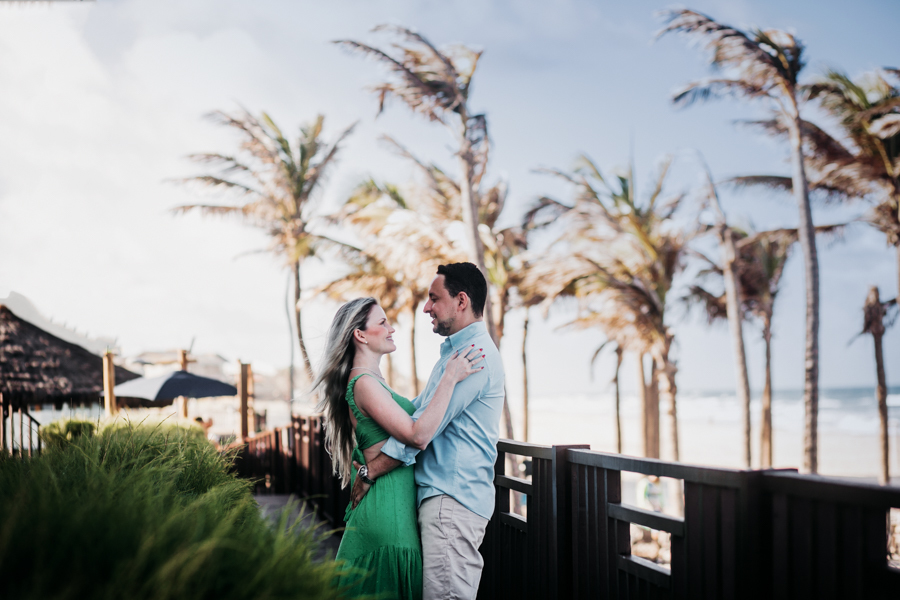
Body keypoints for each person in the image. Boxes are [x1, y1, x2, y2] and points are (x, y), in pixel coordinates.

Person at [350, 262, 505, 600]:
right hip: (444, 500)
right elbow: (417, 417)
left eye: (434, 298)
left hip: (452, 500)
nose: (426, 307)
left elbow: (420, 433)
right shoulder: (452, 355)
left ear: (461, 301)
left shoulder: (473, 356)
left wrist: (369, 471)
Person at [313, 296, 483, 600]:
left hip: (392, 507)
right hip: (386, 513)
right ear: (360, 335)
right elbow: (417, 435)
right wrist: (450, 378)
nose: (392, 329)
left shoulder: (374, 381)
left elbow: (416, 415)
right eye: (382, 323)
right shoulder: (364, 383)